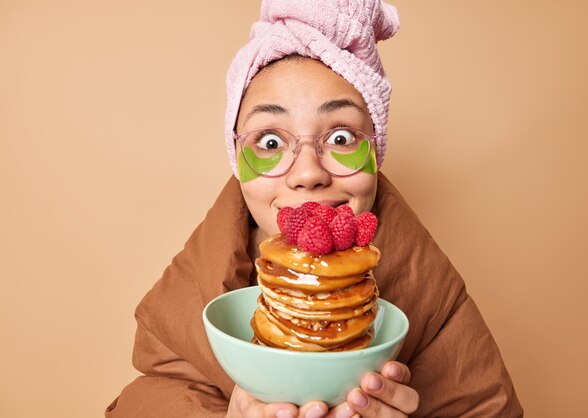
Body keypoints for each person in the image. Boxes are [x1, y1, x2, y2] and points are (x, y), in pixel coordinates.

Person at [106, 1, 523, 417]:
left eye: (341, 137)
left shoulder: (436, 306)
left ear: (375, 153)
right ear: (236, 159)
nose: (308, 173)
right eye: (270, 142)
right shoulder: (183, 310)